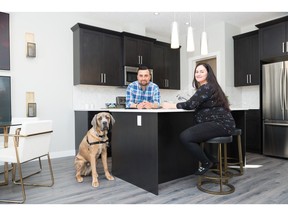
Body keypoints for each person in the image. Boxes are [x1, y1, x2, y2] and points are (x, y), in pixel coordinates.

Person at [162, 63, 235, 175]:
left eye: (202, 71)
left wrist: (171, 105)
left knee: (185, 136)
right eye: (196, 71)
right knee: (195, 137)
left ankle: (206, 162)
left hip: (220, 124)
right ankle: (213, 161)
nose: (198, 74)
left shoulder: (207, 87)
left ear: (208, 74)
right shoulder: (210, 87)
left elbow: (190, 104)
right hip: (222, 124)